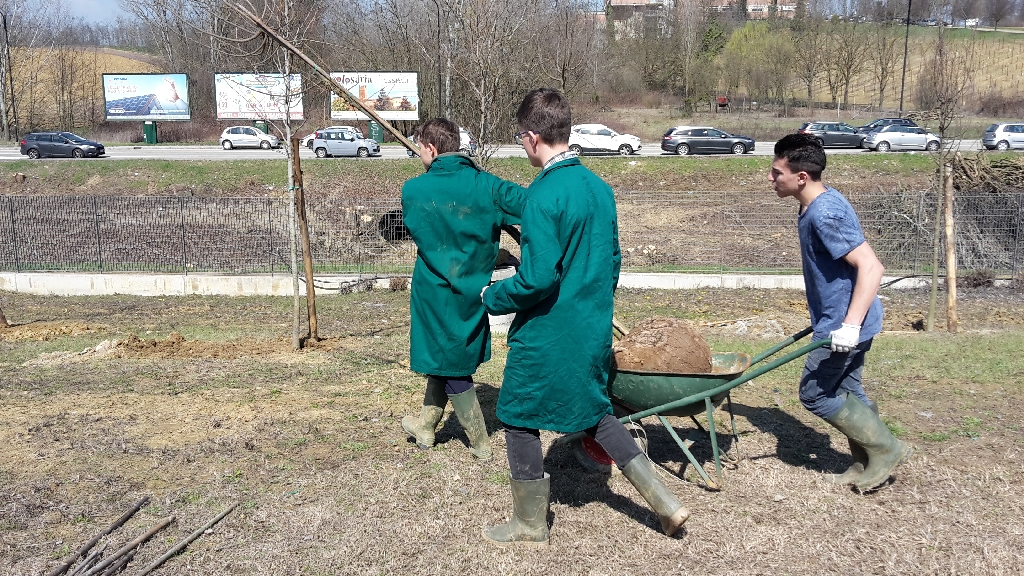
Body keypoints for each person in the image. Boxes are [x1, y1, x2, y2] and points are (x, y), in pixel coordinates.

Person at [480, 88, 689, 547]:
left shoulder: (541, 197)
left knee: (516, 414)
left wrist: (492, 296)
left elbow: (536, 280)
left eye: (520, 138)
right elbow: (612, 262)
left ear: (533, 138)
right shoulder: (600, 189)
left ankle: (531, 523)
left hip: (549, 332)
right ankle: (665, 503)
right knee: (595, 413)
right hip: (592, 326)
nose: (522, 145)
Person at [768, 133, 912, 493]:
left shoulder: (824, 213)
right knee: (849, 390)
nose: (770, 179)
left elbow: (871, 267)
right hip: (845, 319)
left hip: (845, 326)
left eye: (776, 172)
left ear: (801, 176)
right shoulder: (817, 204)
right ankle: (866, 460)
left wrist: (847, 325)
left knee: (814, 394)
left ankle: (887, 449)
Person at [400, 118, 526, 461]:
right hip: (473, 292)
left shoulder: (413, 190)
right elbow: (534, 206)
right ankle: (426, 425)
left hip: (432, 293)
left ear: (430, 148)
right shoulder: (489, 187)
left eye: (419, 150)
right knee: (449, 355)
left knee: (452, 363)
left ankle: (480, 441)